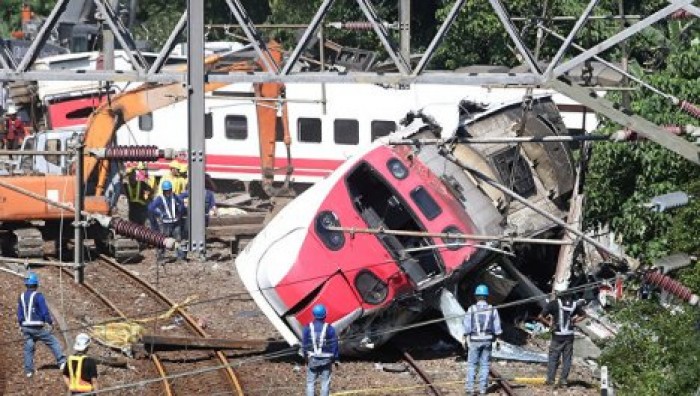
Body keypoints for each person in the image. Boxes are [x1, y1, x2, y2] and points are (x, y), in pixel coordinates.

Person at [17, 272, 67, 378]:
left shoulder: (21, 297)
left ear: (26, 284)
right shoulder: (38, 296)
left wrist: (20, 324)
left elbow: (20, 313)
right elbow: (44, 311)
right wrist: (49, 322)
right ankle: (62, 362)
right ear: (36, 284)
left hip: (26, 328)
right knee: (53, 342)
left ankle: (28, 371)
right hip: (38, 328)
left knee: (28, 348)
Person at [538, 287, 586, 387]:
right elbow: (584, 315)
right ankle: (563, 380)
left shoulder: (553, 304)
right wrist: (574, 321)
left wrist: (549, 324)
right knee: (567, 359)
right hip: (569, 335)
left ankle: (550, 380)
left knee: (553, 358)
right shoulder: (574, 305)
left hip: (557, 335)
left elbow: (540, 316)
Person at [463, 284, 502, 395]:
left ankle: (470, 389)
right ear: (486, 296)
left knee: (472, 365)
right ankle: (482, 389)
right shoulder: (492, 309)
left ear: (476, 296)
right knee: (485, 365)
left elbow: (467, 326)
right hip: (487, 341)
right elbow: (497, 327)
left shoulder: (472, 309)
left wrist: (465, 337)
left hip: (475, 340)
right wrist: (498, 339)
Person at [302, 304, 339, 396]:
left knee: (310, 382)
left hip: (313, 359)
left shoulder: (307, 328)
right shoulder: (330, 328)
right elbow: (334, 344)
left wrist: (305, 357)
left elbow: (304, 345)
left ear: (313, 315)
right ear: (325, 315)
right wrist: (335, 358)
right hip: (326, 360)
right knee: (325, 382)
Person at [148, 180, 185, 262]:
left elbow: (182, 203)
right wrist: (159, 213)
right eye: (166, 190)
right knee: (163, 240)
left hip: (175, 222)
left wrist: (179, 212)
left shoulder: (174, 196)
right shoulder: (160, 199)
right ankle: (160, 257)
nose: (168, 192)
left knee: (178, 240)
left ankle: (181, 257)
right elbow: (151, 208)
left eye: (169, 190)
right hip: (165, 224)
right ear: (163, 191)